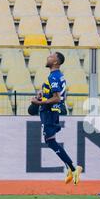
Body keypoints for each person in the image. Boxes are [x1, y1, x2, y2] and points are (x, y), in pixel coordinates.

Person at [31, 52, 82, 185]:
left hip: (49, 112)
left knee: (50, 141)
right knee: (51, 141)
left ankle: (73, 168)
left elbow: (57, 98)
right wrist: (43, 95)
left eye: (51, 56)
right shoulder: (57, 76)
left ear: (56, 62)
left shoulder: (54, 77)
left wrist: (39, 103)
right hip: (52, 111)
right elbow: (55, 95)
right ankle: (70, 167)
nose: (48, 56)